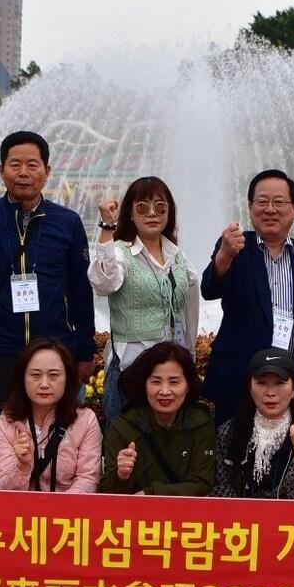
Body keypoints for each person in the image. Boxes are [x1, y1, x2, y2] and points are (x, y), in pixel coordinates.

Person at [0, 130, 96, 444]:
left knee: (59, 441)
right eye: (15, 165)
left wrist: (84, 351)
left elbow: (81, 290)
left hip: (56, 351)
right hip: (1, 351)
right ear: (1, 171)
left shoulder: (67, 221)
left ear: (47, 171)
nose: (24, 173)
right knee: (2, 437)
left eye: (32, 164)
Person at [201, 169, 294, 423]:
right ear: (250, 207)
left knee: (292, 454)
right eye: (262, 202)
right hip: (240, 380)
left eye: (279, 202)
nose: (270, 209)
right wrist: (225, 256)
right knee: (235, 453)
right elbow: (209, 289)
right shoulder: (236, 248)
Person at [89, 176, 199, 424]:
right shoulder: (120, 252)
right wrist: (107, 227)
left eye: (160, 207)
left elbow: (190, 306)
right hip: (131, 373)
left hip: (172, 374)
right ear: (130, 212)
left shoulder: (178, 256)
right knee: (129, 450)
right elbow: (104, 282)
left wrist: (189, 356)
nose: (152, 213)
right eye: (142, 207)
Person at [211, 348, 294, 499]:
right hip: (241, 520)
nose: (270, 393)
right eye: (261, 383)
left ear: (293, 389)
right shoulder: (229, 432)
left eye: (280, 383)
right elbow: (221, 490)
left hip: (289, 520)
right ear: (250, 387)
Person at [100, 342, 215, 496]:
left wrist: (151, 494)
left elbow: (202, 484)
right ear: (144, 384)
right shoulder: (123, 426)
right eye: (156, 382)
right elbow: (106, 492)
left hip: (187, 517)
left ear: (187, 386)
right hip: (133, 516)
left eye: (174, 382)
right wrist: (121, 475)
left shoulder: (201, 423)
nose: (165, 391)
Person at [0, 338, 102, 493]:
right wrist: (21, 466)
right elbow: (2, 491)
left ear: (67, 379)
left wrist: (54, 513)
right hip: (21, 515)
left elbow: (88, 479)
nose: (44, 384)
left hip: (67, 515)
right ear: (22, 379)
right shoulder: (5, 424)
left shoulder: (85, 420)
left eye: (54, 375)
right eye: (35, 375)